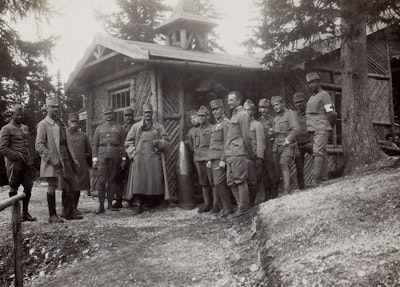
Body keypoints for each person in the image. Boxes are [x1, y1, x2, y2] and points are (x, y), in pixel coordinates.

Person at [36, 97, 81, 223]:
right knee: (52, 186)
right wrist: (52, 158)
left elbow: (67, 143)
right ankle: (52, 215)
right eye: (53, 106)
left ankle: (68, 212)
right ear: (47, 107)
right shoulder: (43, 124)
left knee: (70, 184)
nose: (56, 108)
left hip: (66, 158)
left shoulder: (61, 123)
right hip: (53, 160)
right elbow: (39, 145)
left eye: (57, 106)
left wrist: (74, 158)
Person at [125, 103, 169, 215]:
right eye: (145, 112)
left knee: (152, 181)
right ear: (142, 114)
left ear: (152, 113)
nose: (147, 114)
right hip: (139, 158)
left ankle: (150, 204)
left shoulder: (159, 127)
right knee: (139, 181)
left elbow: (167, 141)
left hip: (154, 158)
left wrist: (160, 142)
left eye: (149, 112)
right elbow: (128, 141)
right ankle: (139, 204)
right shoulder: (136, 127)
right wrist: (133, 153)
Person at [0, 104, 36, 221]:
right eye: (18, 114)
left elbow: (29, 145)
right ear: (12, 115)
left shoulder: (25, 128)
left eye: (21, 114)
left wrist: (31, 159)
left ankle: (25, 212)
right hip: (14, 163)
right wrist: (15, 156)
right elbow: (3, 148)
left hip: (26, 162)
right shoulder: (6, 129)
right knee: (14, 187)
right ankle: (15, 215)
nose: (20, 116)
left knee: (28, 187)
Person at [225, 91, 256, 217]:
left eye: (231, 100)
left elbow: (246, 137)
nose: (229, 102)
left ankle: (243, 208)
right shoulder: (234, 114)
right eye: (228, 100)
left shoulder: (243, 115)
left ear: (238, 101)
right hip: (230, 153)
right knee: (230, 181)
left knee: (240, 180)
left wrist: (250, 154)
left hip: (238, 153)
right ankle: (241, 205)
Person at [92, 106, 126, 214]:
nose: (108, 116)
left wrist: (124, 158)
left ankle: (110, 204)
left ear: (113, 114)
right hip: (102, 156)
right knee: (102, 181)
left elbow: (123, 144)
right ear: (104, 115)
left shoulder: (119, 128)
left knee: (113, 180)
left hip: (115, 155)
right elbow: (95, 145)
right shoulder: (99, 128)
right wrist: (95, 160)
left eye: (110, 113)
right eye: (106, 114)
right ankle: (101, 205)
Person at [305, 72, 337, 186]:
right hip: (313, 130)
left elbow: (332, 113)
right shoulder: (311, 98)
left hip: (321, 128)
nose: (311, 85)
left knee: (317, 152)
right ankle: (324, 178)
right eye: (309, 83)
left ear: (318, 82)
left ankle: (315, 179)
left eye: (313, 82)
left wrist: (328, 127)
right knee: (322, 152)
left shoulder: (325, 95)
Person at [206, 99, 233, 217]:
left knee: (219, 183)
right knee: (217, 184)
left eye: (217, 109)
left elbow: (227, 143)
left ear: (223, 109)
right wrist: (209, 159)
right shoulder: (215, 125)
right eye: (213, 110)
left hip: (220, 158)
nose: (215, 112)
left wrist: (223, 159)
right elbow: (212, 144)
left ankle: (228, 208)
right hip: (214, 158)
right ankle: (223, 208)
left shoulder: (226, 123)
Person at [64, 113, 92, 216]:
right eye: (72, 121)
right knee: (67, 187)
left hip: (80, 165)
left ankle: (74, 207)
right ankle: (67, 208)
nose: (74, 124)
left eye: (75, 121)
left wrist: (87, 163)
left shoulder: (83, 135)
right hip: (67, 164)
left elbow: (89, 150)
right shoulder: (64, 134)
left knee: (78, 187)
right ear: (68, 122)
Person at [271, 96, 299, 195]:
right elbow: (277, 132)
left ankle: (287, 190)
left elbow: (296, 129)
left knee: (283, 163)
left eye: (277, 104)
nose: (275, 107)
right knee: (276, 168)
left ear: (283, 104)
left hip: (288, 145)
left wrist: (287, 140)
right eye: (273, 105)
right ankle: (281, 190)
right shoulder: (275, 118)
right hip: (277, 146)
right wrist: (272, 132)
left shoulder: (290, 114)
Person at [189, 105, 214, 213]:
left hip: (209, 158)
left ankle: (216, 204)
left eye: (202, 116)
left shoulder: (212, 128)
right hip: (198, 159)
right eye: (198, 116)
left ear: (207, 116)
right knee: (203, 182)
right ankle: (207, 203)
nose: (200, 118)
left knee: (213, 181)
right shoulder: (195, 131)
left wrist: (210, 158)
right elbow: (192, 146)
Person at [244, 99, 266, 205]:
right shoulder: (241, 125)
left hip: (253, 157)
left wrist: (259, 158)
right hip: (243, 156)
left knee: (252, 181)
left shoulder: (257, 125)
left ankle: (251, 203)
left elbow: (261, 143)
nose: (246, 112)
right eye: (244, 110)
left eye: (249, 110)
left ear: (253, 111)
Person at [258, 98, 277, 200]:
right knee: (264, 173)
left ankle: (274, 195)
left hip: (271, 148)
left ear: (269, 109)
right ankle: (267, 195)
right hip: (262, 150)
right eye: (261, 108)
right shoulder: (258, 122)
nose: (263, 110)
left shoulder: (273, 120)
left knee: (272, 172)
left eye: (265, 108)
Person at [293, 93, 313, 189]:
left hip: (309, 142)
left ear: (304, 101)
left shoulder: (310, 113)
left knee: (318, 155)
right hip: (298, 145)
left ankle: (321, 179)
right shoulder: (293, 116)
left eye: (300, 102)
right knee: (299, 168)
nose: (299, 104)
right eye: (296, 103)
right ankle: (302, 188)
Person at [118, 108, 135, 208]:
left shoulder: (136, 126)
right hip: (122, 156)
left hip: (131, 156)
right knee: (119, 178)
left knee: (131, 178)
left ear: (133, 116)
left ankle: (131, 199)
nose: (128, 117)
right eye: (126, 115)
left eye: (130, 115)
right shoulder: (121, 128)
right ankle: (119, 199)